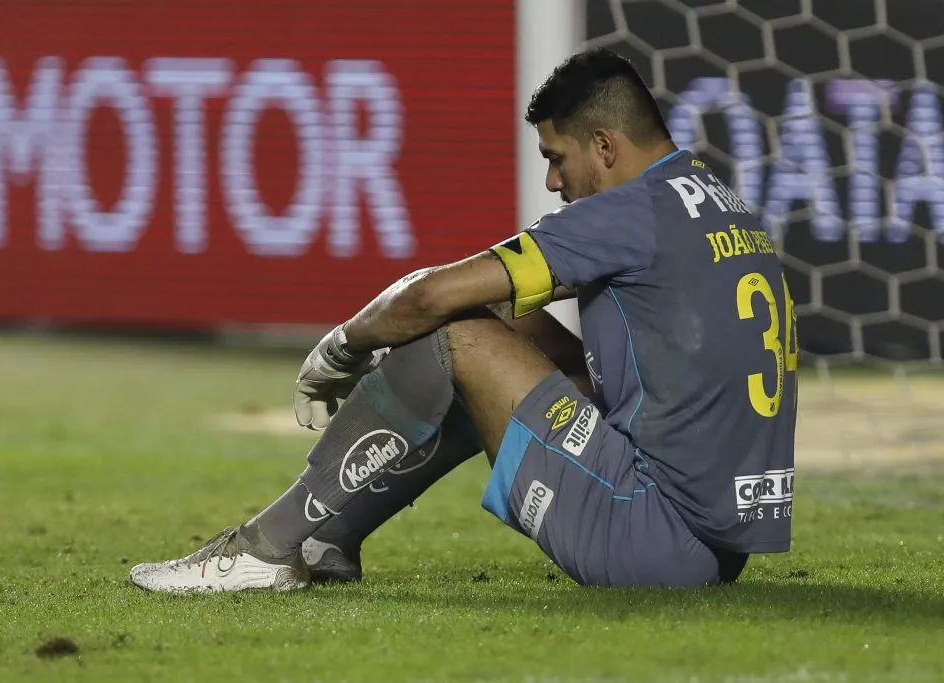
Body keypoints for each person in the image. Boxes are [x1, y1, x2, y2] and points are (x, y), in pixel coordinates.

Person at [129, 47, 798, 593]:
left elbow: (427, 298)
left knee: (454, 331)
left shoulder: (627, 212)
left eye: (556, 158)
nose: (553, 183)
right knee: (497, 328)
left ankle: (264, 548)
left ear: (603, 144)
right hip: (716, 543)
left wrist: (341, 347)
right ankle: (330, 537)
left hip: (647, 532)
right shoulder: (718, 202)